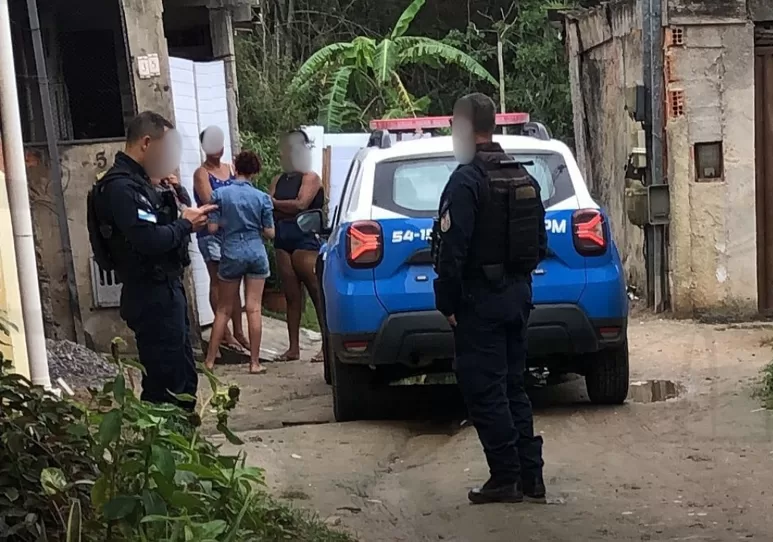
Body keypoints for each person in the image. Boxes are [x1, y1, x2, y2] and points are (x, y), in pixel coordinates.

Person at [432, 93, 548, 504]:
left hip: (479, 300)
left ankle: (506, 477)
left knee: (485, 389)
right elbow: (539, 242)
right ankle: (530, 477)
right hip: (518, 296)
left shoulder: (466, 180)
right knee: (514, 385)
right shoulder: (522, 176)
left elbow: (452, 251)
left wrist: (447, 304)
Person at [88, 111, 216, 411]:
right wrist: (185, 225)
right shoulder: (121, 188)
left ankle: (181, 446)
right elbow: (149, 240)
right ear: (147, 143)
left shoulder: (145, 184)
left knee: (183, 377)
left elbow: (167, 219)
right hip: (149, 291)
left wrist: (177, 196)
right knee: (165, 384)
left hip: (166, 289)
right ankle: (159, 451)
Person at [204, 151, 275, 375]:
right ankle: (254, 362)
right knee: (254, 308)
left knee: (224, 309)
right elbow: (270, 233)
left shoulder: (220, 194)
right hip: (256, 251)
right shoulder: (262, 198)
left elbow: (212, 228)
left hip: (231, 251)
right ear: (255, 171)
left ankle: (209, 362)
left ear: (235, 167)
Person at [193, 126, 250, 356]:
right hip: (212, 234)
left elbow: (245, 192)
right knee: (218, 281)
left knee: (235, 281)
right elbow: (210, 200)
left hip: (233, 233)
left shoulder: (231, 168)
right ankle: (223, 332)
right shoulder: (201, 173)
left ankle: (239, 331)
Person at [270, 129, 325, 363]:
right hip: (283, 238)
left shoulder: (310, 177)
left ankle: (326, 344)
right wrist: (283, 205)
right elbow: (269, 203)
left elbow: (302, 204)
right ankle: (293, 347)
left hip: (305, 237)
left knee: (316, 293)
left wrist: (277, 204)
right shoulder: (278, 179)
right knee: (292, 295)